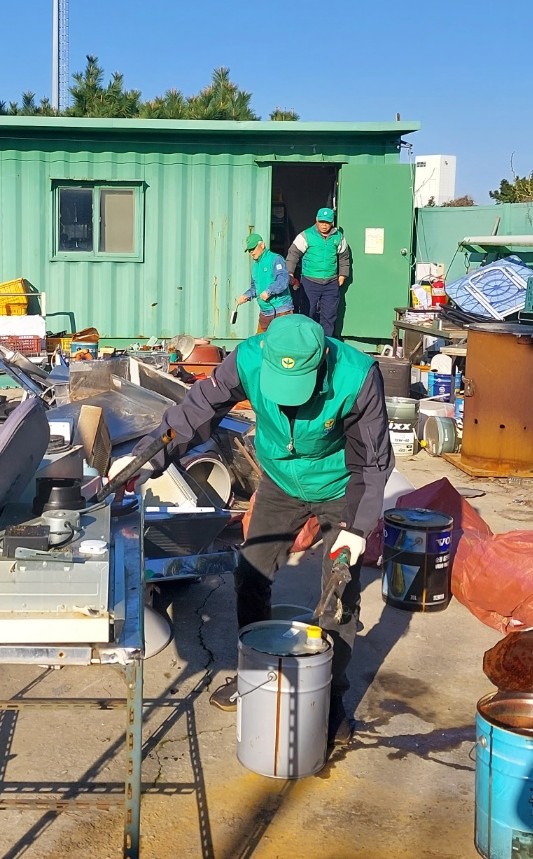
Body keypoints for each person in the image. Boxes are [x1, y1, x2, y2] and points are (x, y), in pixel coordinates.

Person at [135, 313, 391, 746]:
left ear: (323, 360)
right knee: (250, 575)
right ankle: (254, 676)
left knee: (339, 594)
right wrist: (146, 458)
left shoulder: (357, 375)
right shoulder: (246, 359)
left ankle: (330, 700)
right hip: (279, 483)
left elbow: (372, 462)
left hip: (339, 487)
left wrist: (358, 527)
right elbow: (195, 413)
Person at [286, 206, 351, 337]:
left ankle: (327, 344)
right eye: (321, 222)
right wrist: (290, 272)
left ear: (332, 222)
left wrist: (343, 275)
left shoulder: (338, 237)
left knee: (329, 316)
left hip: (331, 283)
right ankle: (306, 342)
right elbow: (293, 254)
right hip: (309, 282)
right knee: (306, 313)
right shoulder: (306, 235)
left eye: (327, 222)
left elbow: (344, 256)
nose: (324, 226)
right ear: (316, 220)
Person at [235, 232, 294, 334]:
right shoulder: (255, 267)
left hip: (281, 310)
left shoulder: (275, 259)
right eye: (249, 250)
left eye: (253, 248)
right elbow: (254, 287)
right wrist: (246, 296)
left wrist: (269, 291)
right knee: (260, 344)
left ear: (262, 245)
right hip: (265, 313)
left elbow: (283, 279)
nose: (251, 252)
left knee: (282, 343)